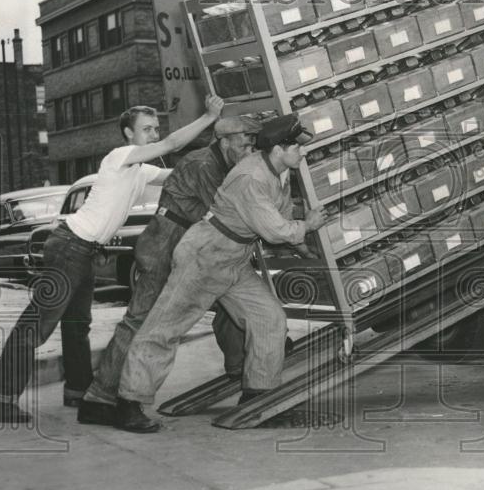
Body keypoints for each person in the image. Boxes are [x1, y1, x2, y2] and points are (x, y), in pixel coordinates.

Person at [0, 95, 225, 423]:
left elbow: (180, 173)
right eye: (146, 129)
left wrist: (219, 145)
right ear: (128, 133)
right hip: (69, 246)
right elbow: (171, 143)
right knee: (37, 326)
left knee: (76, 325)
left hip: (84, 251)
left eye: (155, 128)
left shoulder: (141, 171)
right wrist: (210, 116)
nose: (153, 134)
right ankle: (0, 401)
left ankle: (78, 391)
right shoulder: (120, 156)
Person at [114, 114, 326, 433]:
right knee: (166, 327)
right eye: (298, 147)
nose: (303, 153)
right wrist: (306, 227)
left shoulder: (278, 172)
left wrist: (305, 247)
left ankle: (258, 398)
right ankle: (129, 403)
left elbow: (280, 216)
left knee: (268, 318)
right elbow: (275, 229)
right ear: (279, 149)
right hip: (205, 255)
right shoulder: (250, 177)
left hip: (232, 257)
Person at [76, 114, 261, 427]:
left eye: (253, 141)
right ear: (224, 139)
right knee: (141, 323)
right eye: (245, 139)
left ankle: (243, 367)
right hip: (167, 243)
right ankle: (103, 398)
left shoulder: (214, 162)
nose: (250, 146)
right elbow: (227, 210)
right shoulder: (203, 164)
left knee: (228, 303)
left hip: (185, 244)